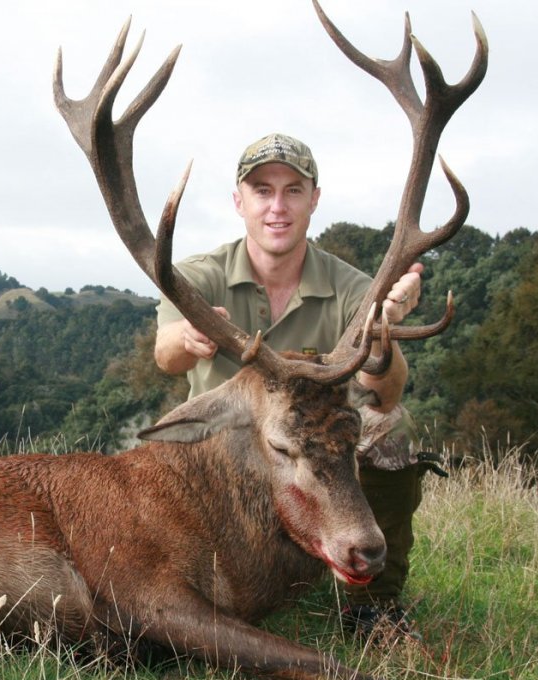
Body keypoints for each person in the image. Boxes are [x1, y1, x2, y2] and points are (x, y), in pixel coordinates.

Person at [154, 133, 438, 642]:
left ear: (315, 199)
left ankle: (373, 605)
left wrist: (383, 328)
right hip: (227, 453)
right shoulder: (196, 276)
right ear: (239, 202)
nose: (277, 207)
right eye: (262, 191)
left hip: (312, 449)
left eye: (293, 190)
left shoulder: (355, 288)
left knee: (394, 428)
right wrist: (187, 335)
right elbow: (165, 355)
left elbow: (385, 393)